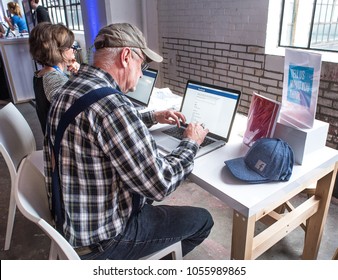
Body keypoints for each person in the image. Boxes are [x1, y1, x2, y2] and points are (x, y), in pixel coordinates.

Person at [44, 22, 214, 260]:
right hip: (104, 242)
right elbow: (160, 184)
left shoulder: (69, 89)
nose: (142, 73)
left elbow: (97, 125)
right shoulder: (113, 108)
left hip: (71, 225)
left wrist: (152, 116)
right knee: (203, 220)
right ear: (125, 56)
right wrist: (191, 143)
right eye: (142, 63)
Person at [29, 22, 80, 134]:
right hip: (61, 143)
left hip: (51, 136)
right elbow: (79, 110)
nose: (74, 50)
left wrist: (74, 75)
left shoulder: (40, 74)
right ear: (59, 51)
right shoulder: (54, 79)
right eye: (72, 46)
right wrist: (80, 76)